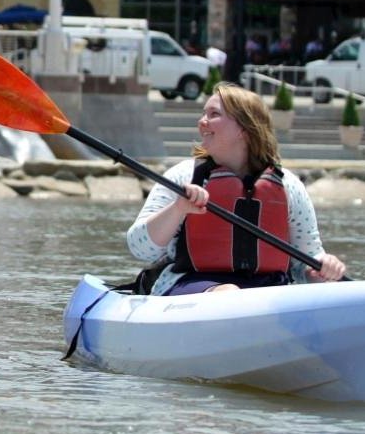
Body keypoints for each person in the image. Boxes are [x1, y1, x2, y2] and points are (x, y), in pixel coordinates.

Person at [127, 82, 346, 295]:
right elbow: (140, 248)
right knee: (229, 292)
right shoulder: (184, 177)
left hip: (269, 292)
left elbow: (306, 263)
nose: (202, 121)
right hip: (192, 283)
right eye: (204, 114)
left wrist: (323, 269)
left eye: (214, 114)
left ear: (244, 128)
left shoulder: (289, 186)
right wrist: (178, 209)